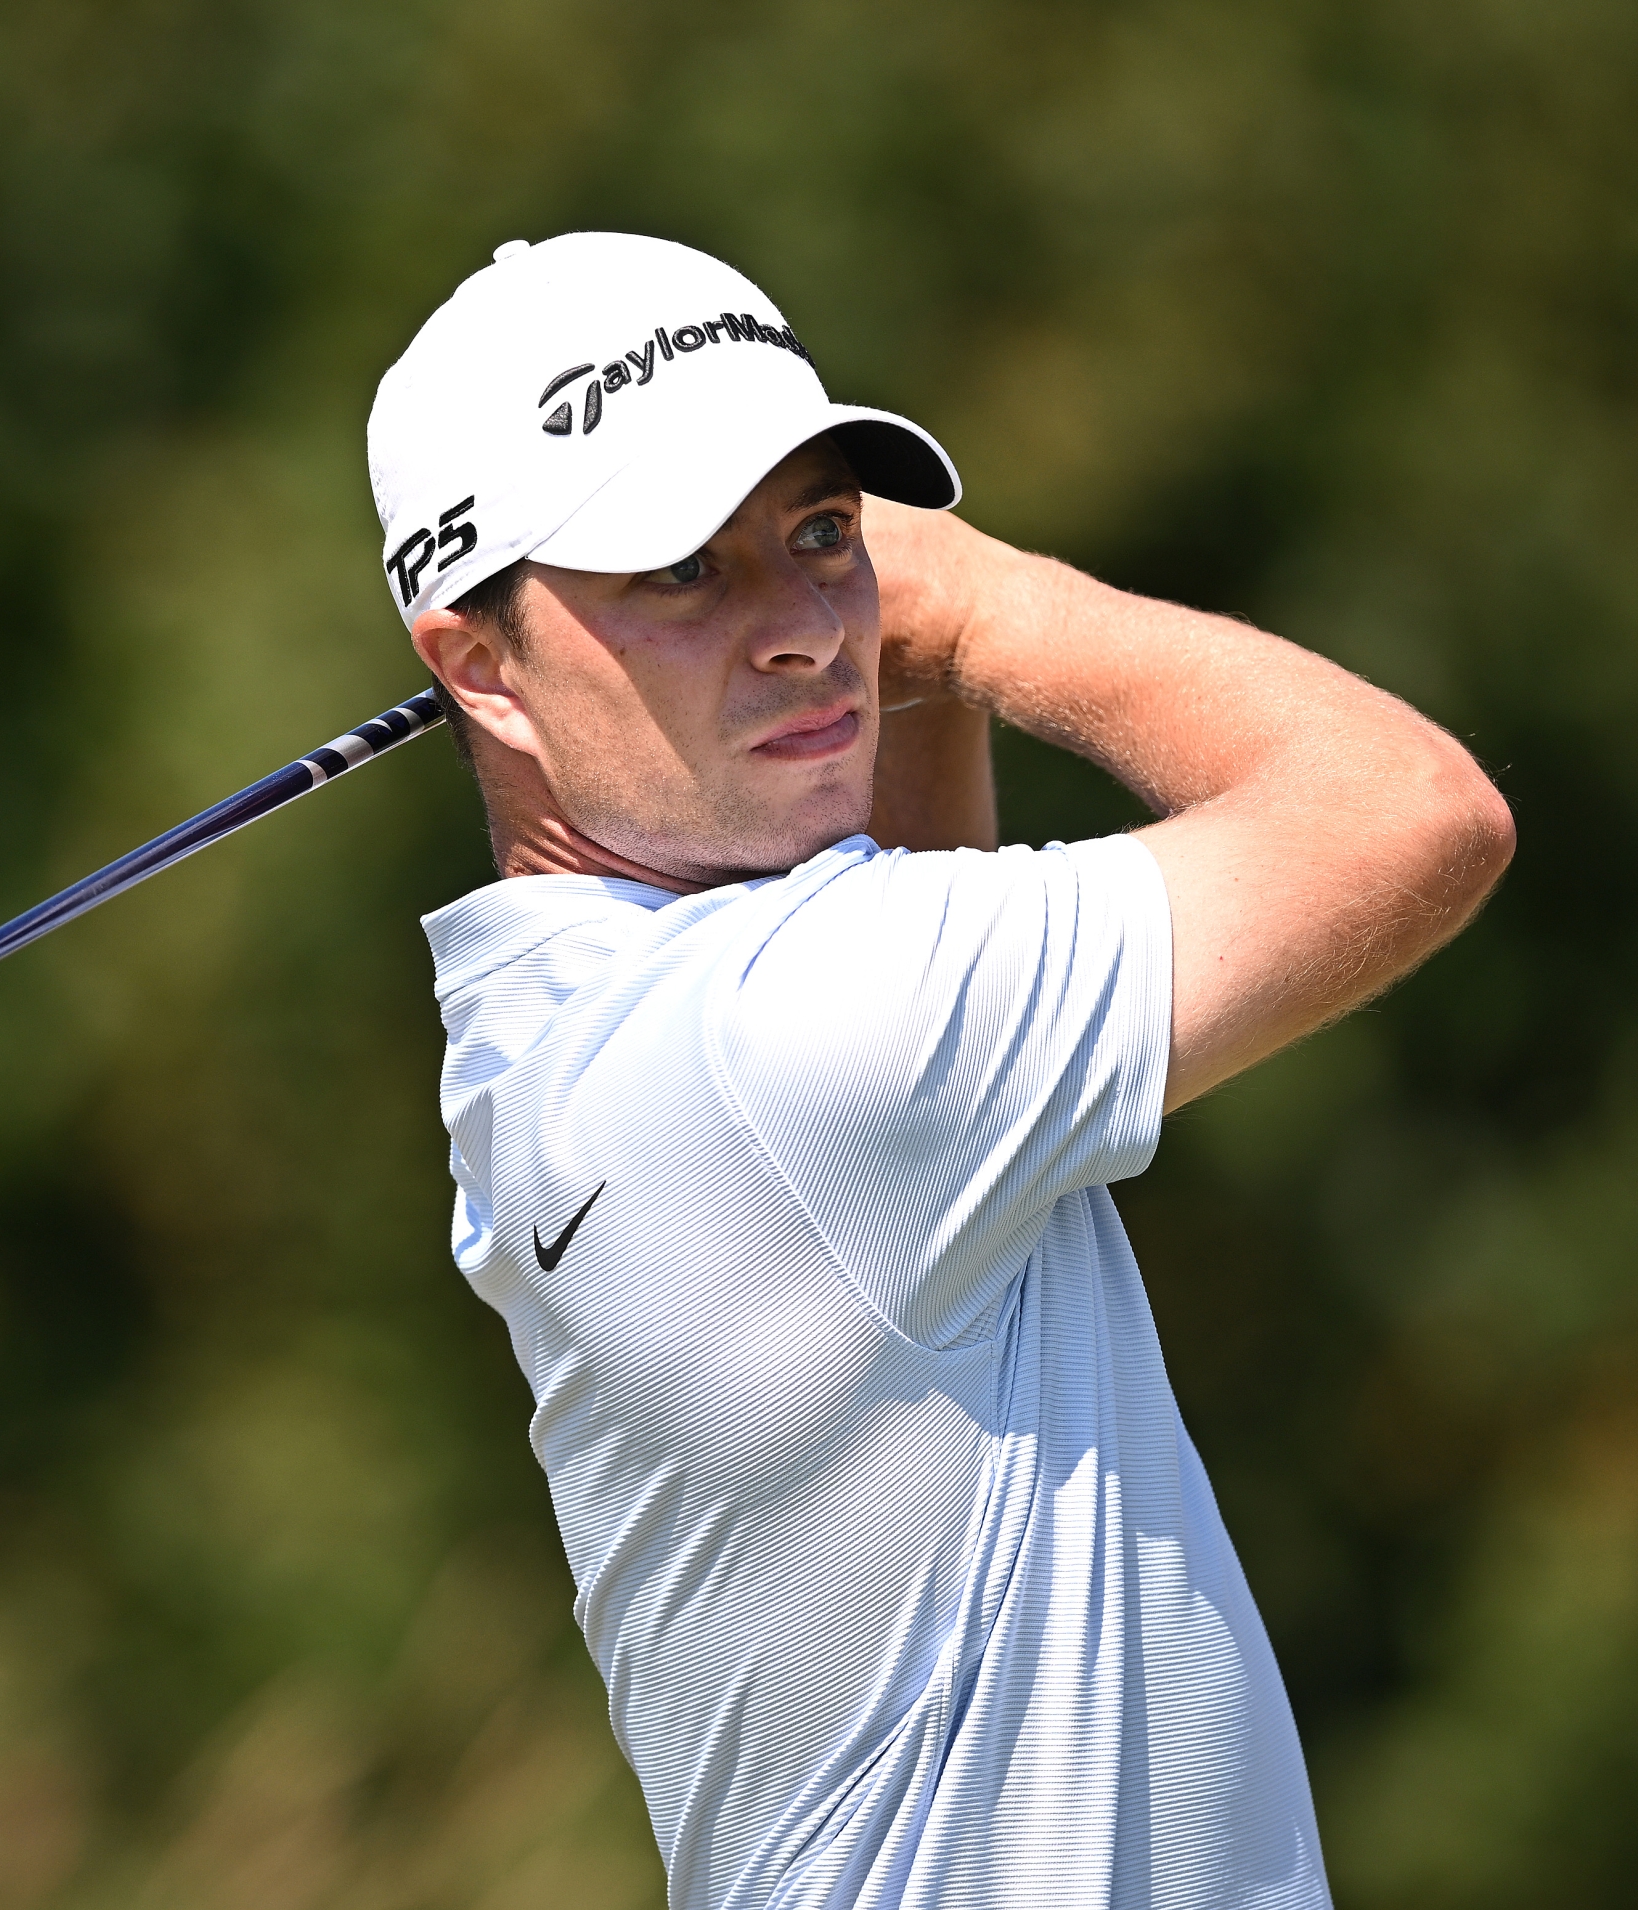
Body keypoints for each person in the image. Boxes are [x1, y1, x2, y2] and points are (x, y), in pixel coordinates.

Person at [373, 233, 1513, 1909]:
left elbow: (893, 938)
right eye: (684, 568)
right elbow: (1416, 816)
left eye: (823, 533)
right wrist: (977, 604)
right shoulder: (790, 1041)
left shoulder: (548, 1036)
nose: (803, 627)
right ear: (480, 666)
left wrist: (869, 648)